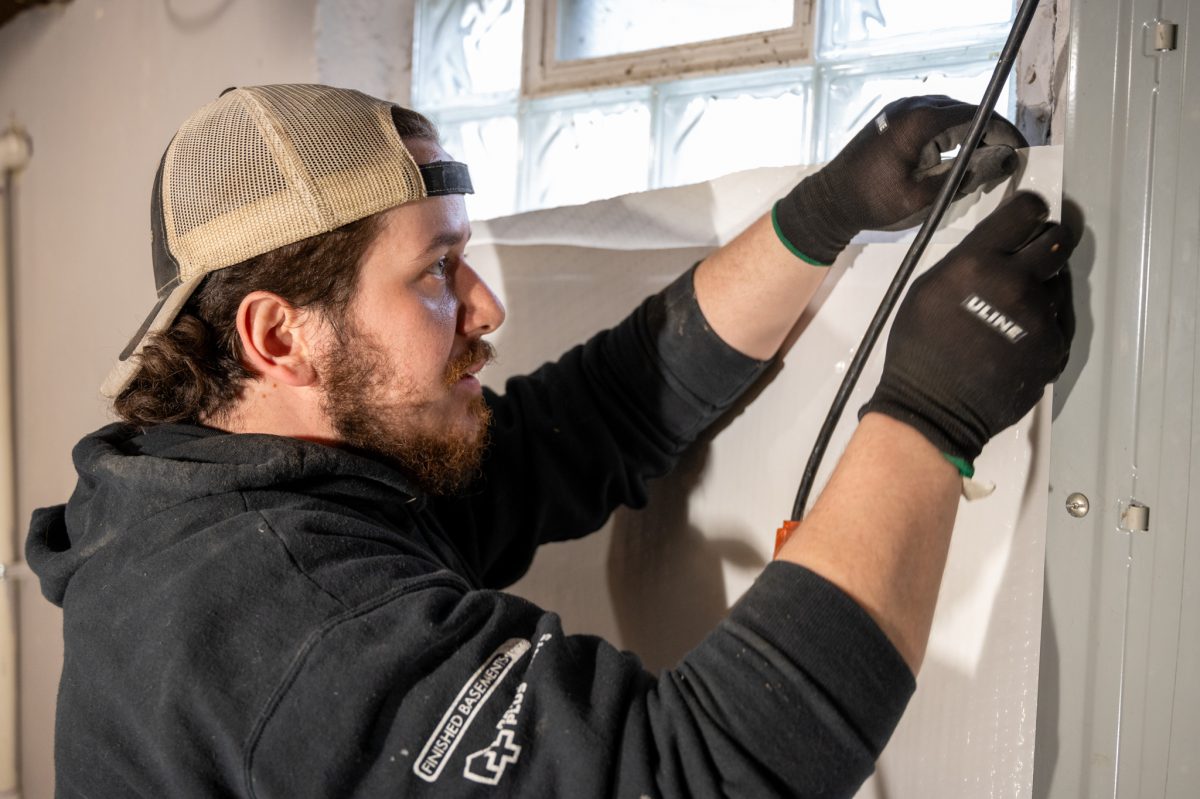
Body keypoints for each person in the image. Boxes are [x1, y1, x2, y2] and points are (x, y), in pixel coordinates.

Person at [27, 84, 1074, 797]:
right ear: (278, 334)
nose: (484, 306)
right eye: (435, 271)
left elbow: (589, 425)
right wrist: (931, 416)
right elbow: (697, 777)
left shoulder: (252, 486)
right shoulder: (283, 614)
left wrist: (827, 211)